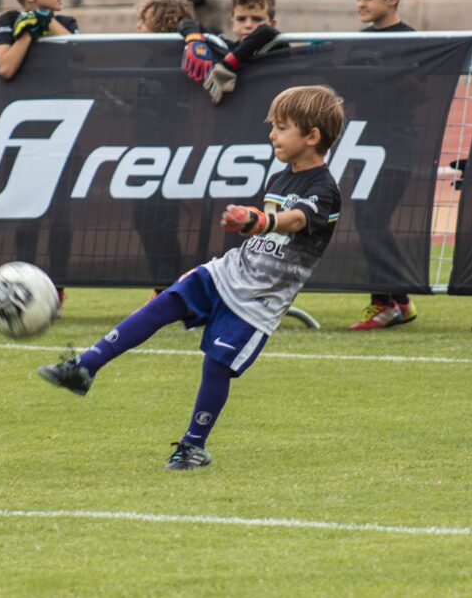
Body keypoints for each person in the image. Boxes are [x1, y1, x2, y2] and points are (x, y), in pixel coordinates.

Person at [37, 85, 345, 470]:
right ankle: (86, 366)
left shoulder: (324, 189)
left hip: (258, 301)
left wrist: (259, 220)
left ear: (312, 136)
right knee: (162, 305)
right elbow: (267, 234)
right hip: (226, 273)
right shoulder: (282, 177)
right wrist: (245, 234)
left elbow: (297, 220)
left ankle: (193, 446)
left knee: (216, 366)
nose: (272, 135)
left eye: (282, 128)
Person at [0, 0, 80, 312]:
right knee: (27, 215)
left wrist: (48, 23)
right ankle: (23, 285)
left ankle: (55, 289)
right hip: (26, 133)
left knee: (62, 215)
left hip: (65, 131)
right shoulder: (8, 21)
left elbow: (80, 53)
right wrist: (29, 31)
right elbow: (5, 67)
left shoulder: (66, 23)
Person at [345, 0, 418, 330]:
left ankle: (385, 302)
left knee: (372, 219)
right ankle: (399, 300)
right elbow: (347, 86)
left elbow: (419, 92)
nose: (361, 4)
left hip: (397, 148)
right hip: (364, 148)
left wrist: (388, 78)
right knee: (368, 219)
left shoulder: (414, 42)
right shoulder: (358, 43)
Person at [133, 0, 200, 299]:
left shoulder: (181, 58)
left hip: (170, 154)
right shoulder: (149, 61)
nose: (138, 27)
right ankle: (166, 289)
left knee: (161, 222)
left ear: (165, 23)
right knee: (146, 220)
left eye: (144, 20)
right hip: (145, 154)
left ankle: (171, 291)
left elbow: (180, 115)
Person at [178, 0, 282, 105]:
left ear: (272, 23)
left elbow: (266, 32)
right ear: (233, 22)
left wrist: (229, 65)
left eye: (257, 19)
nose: (248, 25)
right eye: (241, 19)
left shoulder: (277, 47)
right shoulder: (225, 46)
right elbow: (186, 23)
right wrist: (194, 41)